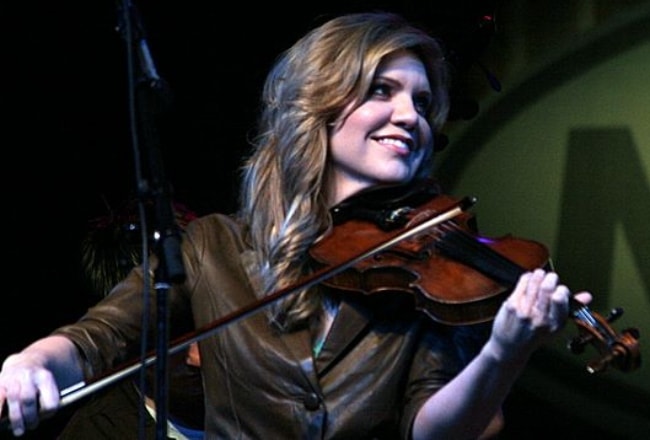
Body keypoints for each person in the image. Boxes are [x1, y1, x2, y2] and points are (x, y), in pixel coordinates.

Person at [0, 11, 591, 439]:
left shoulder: (435, 269)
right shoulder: (213, 246)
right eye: (382, 90)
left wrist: (504, 353)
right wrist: (32, 362)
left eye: (421, 99)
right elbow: (97, 338)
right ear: (319, 104)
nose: (411, 116)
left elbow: (431, 427)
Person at [56, 198, 204, 439]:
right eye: (177, 333)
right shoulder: (94, 433)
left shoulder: (274, 387)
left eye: (208, 313)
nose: (200, 356)